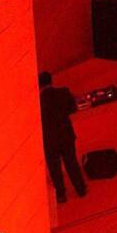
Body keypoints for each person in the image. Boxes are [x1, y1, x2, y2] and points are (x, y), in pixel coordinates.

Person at [38, 71, 86, 203]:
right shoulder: (64, 92)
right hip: (66, 134)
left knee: (54, 168)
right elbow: (73, 108)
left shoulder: (38, 101)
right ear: (51, 81)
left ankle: (61, 194)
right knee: (71, 162)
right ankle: (80, 189)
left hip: (49, 139)